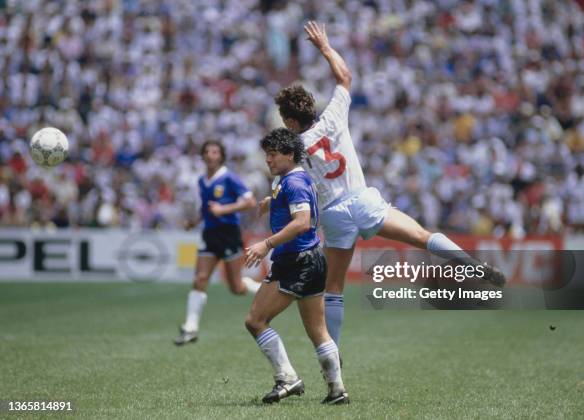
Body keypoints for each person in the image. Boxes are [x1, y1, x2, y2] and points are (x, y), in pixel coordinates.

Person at [274, 21, 505, 346]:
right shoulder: (333, 116)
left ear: (290, 121)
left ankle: (335, 365)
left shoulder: (293, 148)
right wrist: (325, 48)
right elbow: (345, 77)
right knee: (423, 237)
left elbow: (288, 182)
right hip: (362, 200)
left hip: (333, 215)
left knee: (334, 289)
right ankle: (474, 266)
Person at [244, 128, 349, 405]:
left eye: (273, 154)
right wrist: (272, 201)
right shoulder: (292, 178)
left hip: (296, 261)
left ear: (290, 154)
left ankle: (287, 378)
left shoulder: (294, 182)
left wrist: (265, 245)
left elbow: (302, 221)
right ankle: (337, 390)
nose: (268, 159)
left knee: (255, 320)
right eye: (266, 154)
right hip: (313, 257)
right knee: (318, 330)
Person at [174, 140, 260, 346]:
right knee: (200, 279)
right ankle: (190, 327)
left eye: (215, 152)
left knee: (237, 287)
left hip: (229, 234)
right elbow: (206, 208)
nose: (211, 155)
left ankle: (266, 290)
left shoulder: (229, 177)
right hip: (210, 234)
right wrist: (194, 222)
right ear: (202, 156)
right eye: (207, 152)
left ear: (221, 156)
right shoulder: (202, 181)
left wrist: (224, 209)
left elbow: (250, 201)